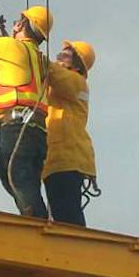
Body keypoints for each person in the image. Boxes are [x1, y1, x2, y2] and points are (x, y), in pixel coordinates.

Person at [0, 5, 53, 218]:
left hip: (17, 126)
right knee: (21, 174)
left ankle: (35, 219)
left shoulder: (13, 48)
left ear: (24, 24)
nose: (16, 23)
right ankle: (32, 213)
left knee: (15, 174)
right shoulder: (40, 58)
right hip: (35, 128)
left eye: (19, 20)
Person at [43, 40, 97, 226]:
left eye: (65, 55)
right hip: (58, 159)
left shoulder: (76, 81)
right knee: (61, 211)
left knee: (67, 213)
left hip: (67, 157)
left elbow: (51, 71)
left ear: (77, 64)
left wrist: (25, 49)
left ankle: (79, 249)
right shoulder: (61, 86)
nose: (58, 56)